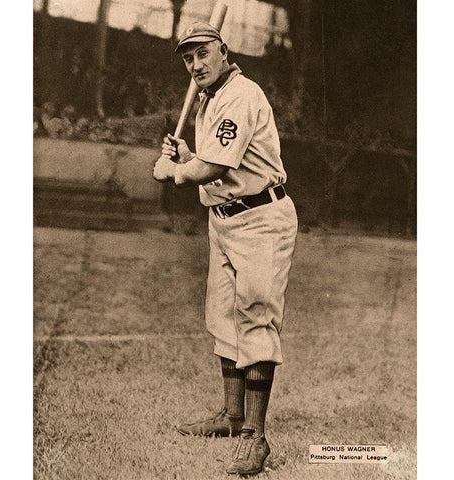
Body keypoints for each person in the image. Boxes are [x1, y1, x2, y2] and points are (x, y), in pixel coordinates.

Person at [153, 22, 298, 476]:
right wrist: (183, 156)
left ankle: (257, 437)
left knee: (255, 317)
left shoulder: (240, 94)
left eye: (203, 54)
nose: (196, 64)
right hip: (224, 219)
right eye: (188, 58)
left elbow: (214, 165)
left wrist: (173, 172)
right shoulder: (210, 97)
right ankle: (232, 417)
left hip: (260, 219)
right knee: (222, 316)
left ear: (224, 52)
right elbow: (208, 159)